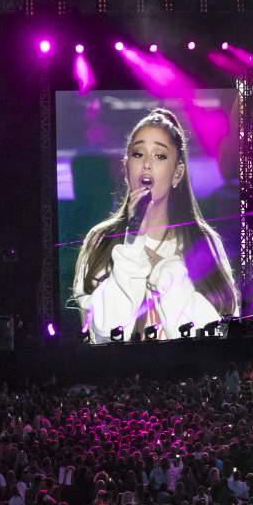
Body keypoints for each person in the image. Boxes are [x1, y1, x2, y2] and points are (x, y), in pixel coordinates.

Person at [73, 108, 238, 343]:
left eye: (160, 156)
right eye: (138, 154)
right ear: (126, 166)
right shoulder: (101, 240)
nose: (147, 164)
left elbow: (220, 333)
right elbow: (103, 333)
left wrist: (168, 275)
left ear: (177, 173)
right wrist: (132, 243)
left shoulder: (203, 242)